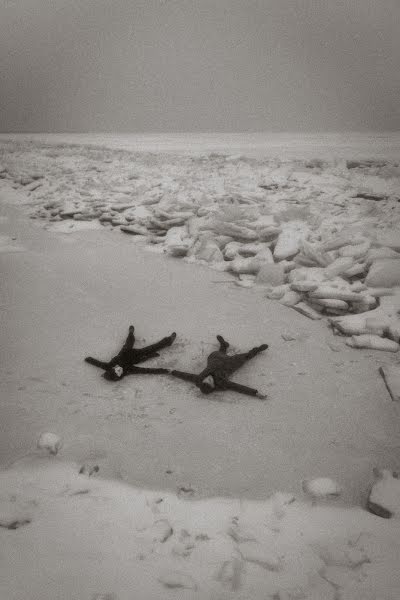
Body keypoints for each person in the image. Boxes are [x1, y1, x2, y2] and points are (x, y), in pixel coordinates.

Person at [170, 335, 268, 398]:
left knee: (218, 354)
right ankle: (257, 350)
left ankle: (224, 345)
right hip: (230, 363)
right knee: (245, 357)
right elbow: (238, 387)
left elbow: (185, 376)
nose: (207, 377)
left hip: (215, 360)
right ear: (213, 385)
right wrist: (255, 393)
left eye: (205, 379)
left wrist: (171, 372)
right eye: (209, 380)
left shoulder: (199, 379)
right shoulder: (223, 383)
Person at [85, 325, 176, 381]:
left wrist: (88, 359)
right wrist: (163, 370)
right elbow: (147, 370)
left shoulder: (108, 366)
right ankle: (168, 341)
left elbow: (98, 363)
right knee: (152, 348)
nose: (118, 369)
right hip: (137, 355)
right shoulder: (128, 370)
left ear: (112, 369)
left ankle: (131, 333)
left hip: (124, 351)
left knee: (129, 341)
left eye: (116, 369)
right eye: (119, 372)